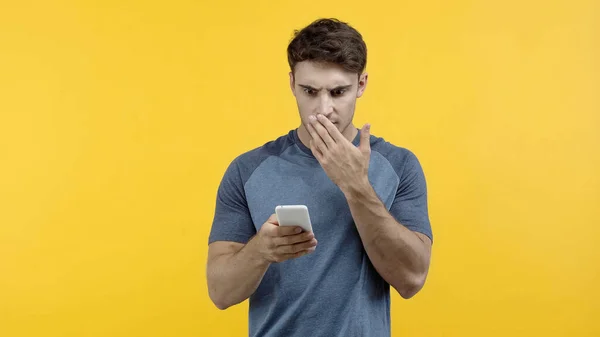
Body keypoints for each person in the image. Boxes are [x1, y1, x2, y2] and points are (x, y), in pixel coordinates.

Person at [206, 18, 433, 337]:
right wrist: (261, 251)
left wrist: (357, 187)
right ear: (291, 83)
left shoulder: (399, 165)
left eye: (338, 92)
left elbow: (412, 280)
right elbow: (220, 292)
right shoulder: (247, 170)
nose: (323, 109)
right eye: (309, 91)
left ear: (362, 85)